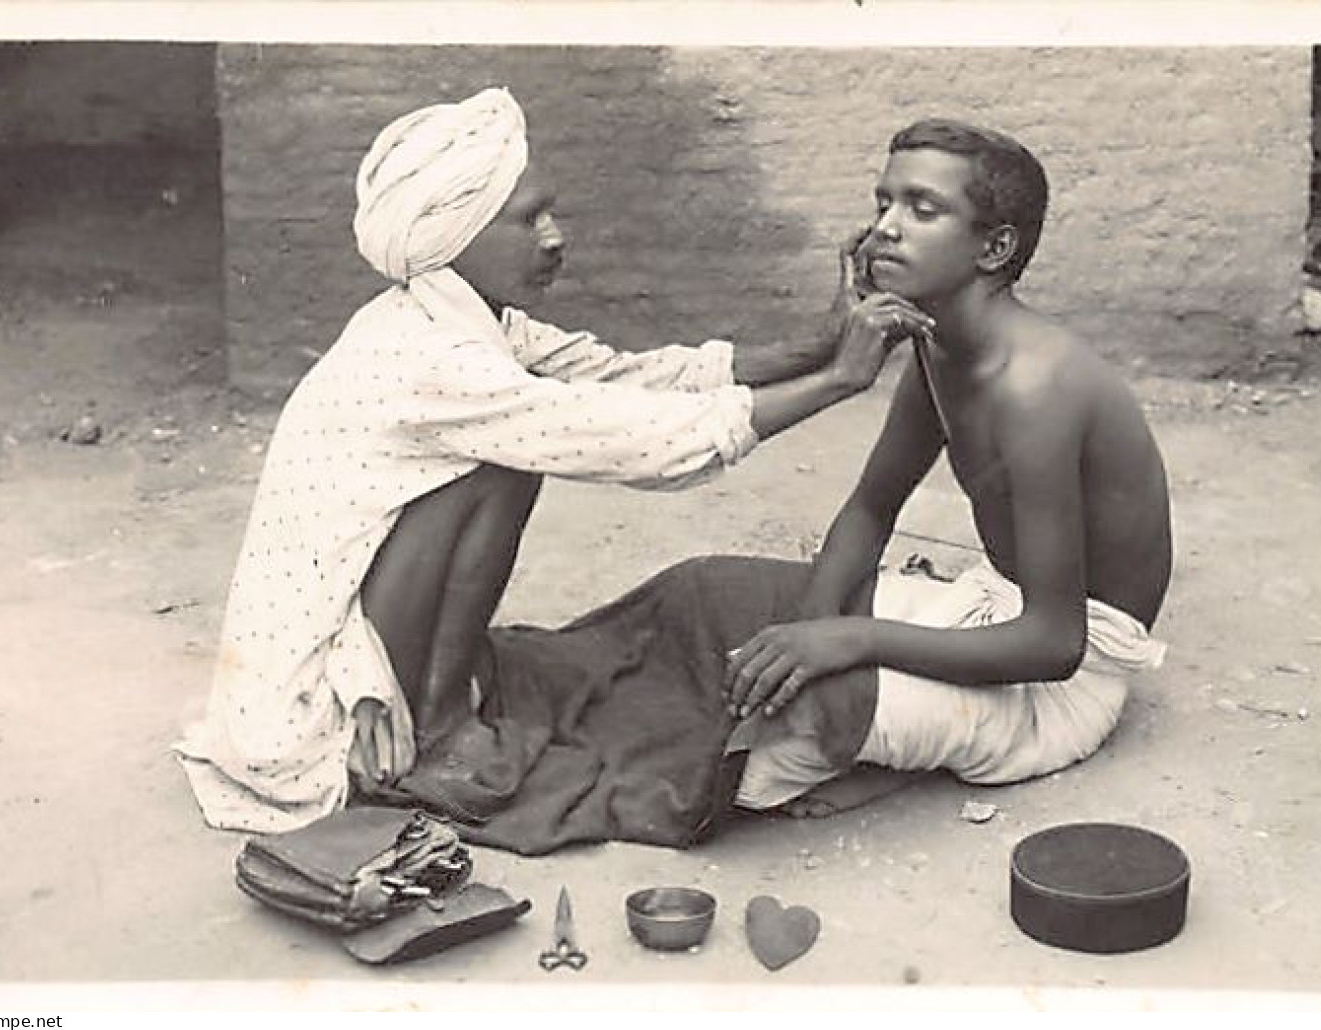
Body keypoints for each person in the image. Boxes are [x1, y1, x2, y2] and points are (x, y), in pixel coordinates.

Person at [174, 88, 932, 833]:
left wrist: (820, 342)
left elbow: (628, 374)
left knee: (501, 457)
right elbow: (637, 442)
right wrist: (839, 381)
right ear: (452, 234)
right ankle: (430, 733)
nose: (552, 236)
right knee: (499, 462)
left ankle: (440, 701)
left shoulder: (457, 318)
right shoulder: (428, 359)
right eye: (527, 217)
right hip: (311, 708)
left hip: (349, 637)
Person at [725, 118, 1173, 817]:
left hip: (1060, 681)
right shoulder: (935, 349)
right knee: (713, 601)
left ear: (994, 247)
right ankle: (907, 740)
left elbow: (1055, 644)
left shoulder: (1035, 387)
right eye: (882, 204)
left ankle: (921, 749)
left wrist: (844, 641)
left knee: (755, 758)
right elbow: (872, 509)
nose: (884, 230)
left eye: (921, 209)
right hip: (987, 609)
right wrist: (808, 636)